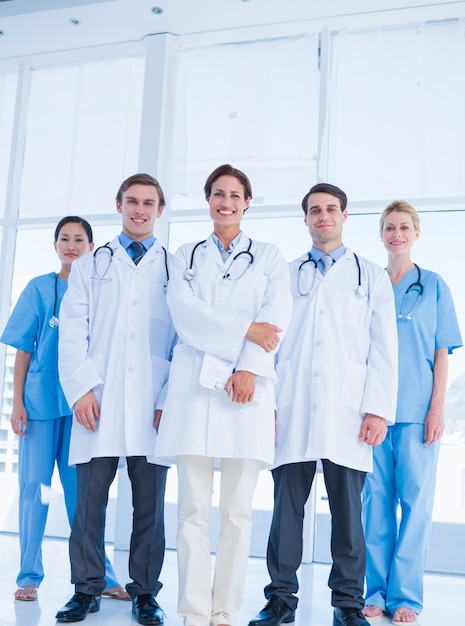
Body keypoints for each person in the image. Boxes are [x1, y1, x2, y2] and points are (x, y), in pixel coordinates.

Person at [248, 183, 399, 626]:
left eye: (331, 209)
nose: (323, 216)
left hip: (348, 411)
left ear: (345, 216)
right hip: (291, 406)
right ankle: (280, 599)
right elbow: (269, 344)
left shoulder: (369, 276)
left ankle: (348, 603)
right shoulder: (285, 274)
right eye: (315, 210)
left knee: (349, 517)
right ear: (306, 219)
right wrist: (266, 403)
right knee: (285, 512)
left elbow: (384, 349)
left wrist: (376, 409)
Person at [154, 164, 292, 626]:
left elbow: (275, 321)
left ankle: (224, 610)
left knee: (236, 512)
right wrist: (245, 329)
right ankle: (194, 611)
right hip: (193, 390)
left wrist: (249, 368)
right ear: (207, 199)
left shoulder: (270, 256)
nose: (225, 202)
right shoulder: (185, 254)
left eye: (234, 194)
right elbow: (183, 312)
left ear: (247, 201)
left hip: (247, 394)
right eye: (217, 193)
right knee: (192, 509)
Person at [55, 174, 177, 624]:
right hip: (98, 401)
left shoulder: (174, 266)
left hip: (152, 404)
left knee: (150, 504)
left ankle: (145, 593)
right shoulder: (91, 263)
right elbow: (72, 331)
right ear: (119, 205)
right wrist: (82, 389)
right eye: (132, 201)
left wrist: (168, 396)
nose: (139, 210)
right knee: (89, 505)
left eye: (148, 203)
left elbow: (181, 339)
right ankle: (86, 589)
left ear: (160, 210)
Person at [0, 216, 129, 603]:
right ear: (55, 244)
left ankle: (101, 576)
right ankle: (28, 576)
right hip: (40, 406)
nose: (71, 245)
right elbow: (24, 348)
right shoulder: (40, 288)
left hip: (82, 410)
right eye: (64, 239)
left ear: (91, 246)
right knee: (35, 492)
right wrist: (17, 401)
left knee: (83, 499)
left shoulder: (102, 291)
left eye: (79, 239)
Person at [362, 201, 462, 625]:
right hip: (375, 412)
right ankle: (376, 593)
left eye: (404, 227)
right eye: (389, 227)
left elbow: (442, 354)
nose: (396, 234)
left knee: (416, 503)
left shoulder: (434, 285)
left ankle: (407, 598)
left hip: (418, 412)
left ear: (416, 233)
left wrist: (436, 408)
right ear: (381, 234)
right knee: (375, 504)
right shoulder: (369, 283)